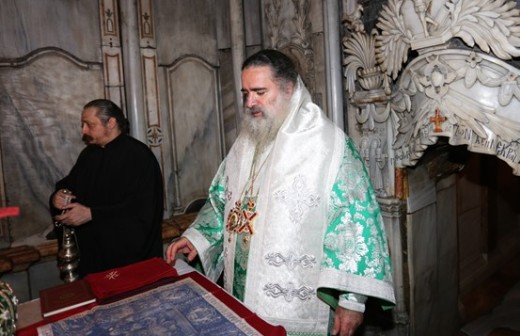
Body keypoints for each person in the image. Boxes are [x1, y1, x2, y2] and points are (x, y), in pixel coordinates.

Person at [166, 49, 395, 335]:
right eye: (245, 93)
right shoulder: (247, 141)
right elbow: (222, 201)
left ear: (289, 89)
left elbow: (355, 225)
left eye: (260, 92)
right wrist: (198, 238)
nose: (250, 102)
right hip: (240, 291)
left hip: (294, 306)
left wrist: (352, 301)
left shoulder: (328, 146)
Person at [50, 99, 164, 277]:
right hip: (92, 258)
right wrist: (58, 196)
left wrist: (92, 214)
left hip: (129, 259)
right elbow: (70, 185)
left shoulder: (139, 156)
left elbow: (142, 209)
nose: (84, 131)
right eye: (83, 125)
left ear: (111, 123)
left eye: (89, 125)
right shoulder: (89, 154)